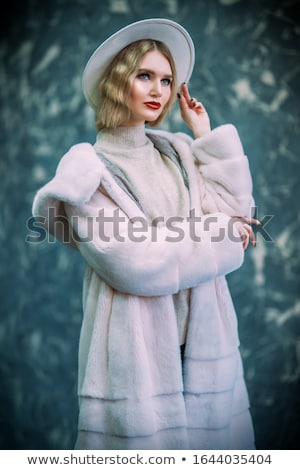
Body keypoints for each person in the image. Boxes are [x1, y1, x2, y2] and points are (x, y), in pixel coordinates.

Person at [32, 18, 258, 450]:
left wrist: (205, 137)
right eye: (145, 76)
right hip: (135, 364)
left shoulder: (178, 152)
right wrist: (217, 235)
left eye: (167, 79)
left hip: (205, 350)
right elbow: (136, 265)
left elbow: (239, 220)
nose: (159, 90)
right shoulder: (87, 172)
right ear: (119, 83)